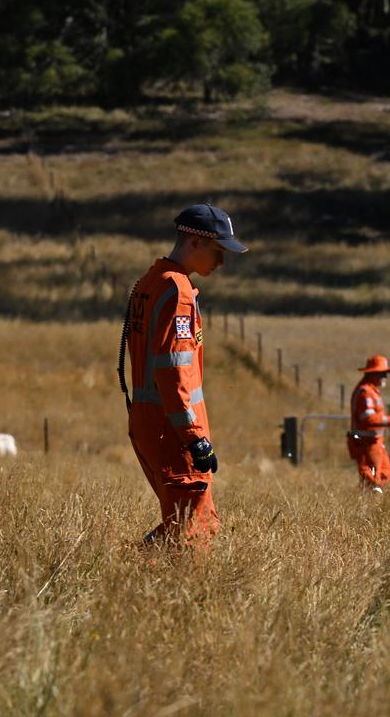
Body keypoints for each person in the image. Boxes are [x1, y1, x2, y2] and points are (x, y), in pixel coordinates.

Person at [119, 204, 247, 550]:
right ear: (194, 242)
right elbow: (172, 370)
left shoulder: (150, 281)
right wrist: (194, 438)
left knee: (184, 522)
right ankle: (127, 571)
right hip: (173, 428)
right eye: (218, 251)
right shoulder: (177, 292)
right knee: (192, 531)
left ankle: (130, 569)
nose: (221, 262)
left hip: (150, 421)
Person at [347, 355, 390, 493]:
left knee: (384, 474)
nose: (385, 377)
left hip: (374, 441)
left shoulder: (371, 391)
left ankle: (365, 500)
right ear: (372, 374)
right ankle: (366, 503)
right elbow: (369, 419)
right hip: (366, 442)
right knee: (373, 480)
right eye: (382, 373)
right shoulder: (365, 393)